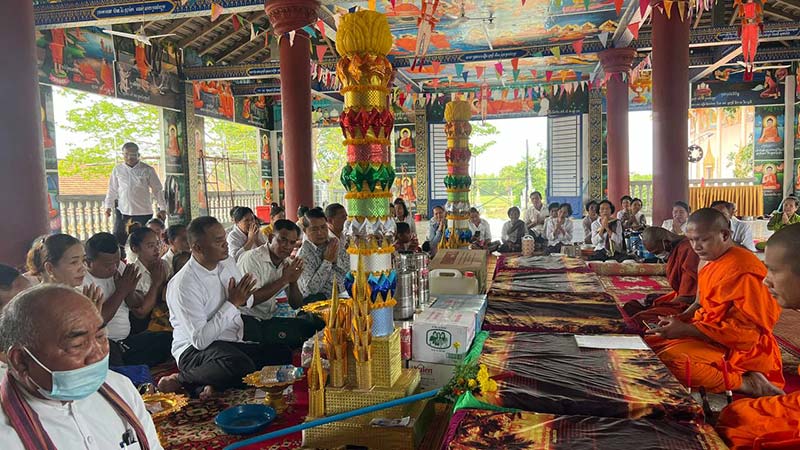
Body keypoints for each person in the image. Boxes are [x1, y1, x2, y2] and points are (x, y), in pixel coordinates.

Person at [0, 285, 163, 449]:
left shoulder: (120, 388)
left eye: (101, 336)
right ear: (20, 360)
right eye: (77, 345)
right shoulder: (6, 438)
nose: (98, 355)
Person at [646, 208, 785, 397]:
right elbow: (700, 303)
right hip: (709, 332)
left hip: (738, 347)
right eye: (691, 240)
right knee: (648, 347)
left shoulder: (744, 269)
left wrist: (686, 330)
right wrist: (680, 319)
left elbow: (747, 336)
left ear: (725, 235)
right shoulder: (708, 261)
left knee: (670, 364)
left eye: (703, 240)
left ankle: (747, 383)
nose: (696, 246)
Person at [158, 217, 291, 398]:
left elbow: (246, 300)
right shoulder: (184, 285)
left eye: (224, 238)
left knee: (281, 354)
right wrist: (232, 303)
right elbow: (200, 340)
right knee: (240, 365)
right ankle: (181, 379)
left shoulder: (227, 262)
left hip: (230, 342)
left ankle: (208, 383)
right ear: (197, 248)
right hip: (194, 351)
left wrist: (245, 295)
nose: (226, 244)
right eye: (218, 241)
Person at [716, 223, 800, 449]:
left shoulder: (741, 264)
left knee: (744, 431)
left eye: (774, 271)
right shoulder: (710, 262)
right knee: (736, 413)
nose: (765, 280)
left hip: (746, 346)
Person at [84, 232, 171, 367]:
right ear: (88, 262)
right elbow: (97, 322)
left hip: (126, 342)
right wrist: (121, 291)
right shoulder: (82, 282)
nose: (114, 268)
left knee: (168, 340)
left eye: (116, 261)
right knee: (114, 363)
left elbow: (137, 305)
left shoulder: (120, 267)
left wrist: (129, 291)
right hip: (102, 343)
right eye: (108, 265)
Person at [237, 219, 324, 349]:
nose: (287, 246)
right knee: (293, 342)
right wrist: (284, 279)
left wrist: (293, 282)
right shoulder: (252, 259)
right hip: (245, 320)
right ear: (271, 238)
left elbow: (295, 304)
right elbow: (249, 300)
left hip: (267, 318)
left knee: (310, 327)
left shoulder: (286, 263)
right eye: (282, 240)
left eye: (292, 242)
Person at [624, 227, 699, 326]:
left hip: (688, 305)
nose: (658, 256)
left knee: (639, 319)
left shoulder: (688, 250)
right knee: (631, 306)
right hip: (681, 298)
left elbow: (688, 297)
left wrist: (661, 306)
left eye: (656, 252)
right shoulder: (678, 248)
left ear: (666, 243)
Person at [104, 142, 167, 248]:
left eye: (133, 154)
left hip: (143, 213)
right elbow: (112, 190)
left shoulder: (147, 170)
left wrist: (163, 208)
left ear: (138, 155)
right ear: (123, 154)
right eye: (126, 154)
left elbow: (157, 190)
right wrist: (108, 207)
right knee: (120, 241)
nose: (130, 157)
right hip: (123, 212)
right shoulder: (118, 170)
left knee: (142, 242)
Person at [27, 234, 104, 309]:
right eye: (74, 262)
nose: (83, 269)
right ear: (50, 268)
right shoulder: (34, 302)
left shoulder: (79, 296)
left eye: (84, 260)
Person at [298, 208, 349, 302]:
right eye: (314, 229)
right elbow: (311, 289)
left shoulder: (333, 243)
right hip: (321, 303)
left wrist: (336, 260)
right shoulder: (303, 255)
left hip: (344, 295)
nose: (320, 233)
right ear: (305, 231)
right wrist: (327, 262)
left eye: (323, 227)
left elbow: (348, 270)